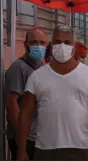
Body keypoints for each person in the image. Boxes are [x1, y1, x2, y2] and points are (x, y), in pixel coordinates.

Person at [16, 25, 88, 160]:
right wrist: (21, 150)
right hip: (45, 150)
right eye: (58, 42)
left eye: (67, 43)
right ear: (52, 44)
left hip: (80, 149)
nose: (62, 46)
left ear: (74, 46)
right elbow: (25, 114)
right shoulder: (37, 76)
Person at [4, 28, 47, 160]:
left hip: (39, 137)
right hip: (26, 138)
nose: (38, 46)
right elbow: (12, 105)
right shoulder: (18, 68)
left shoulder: (44, 67)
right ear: (26, 44)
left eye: (42, 42)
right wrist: (22, 139)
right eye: (34, 42)